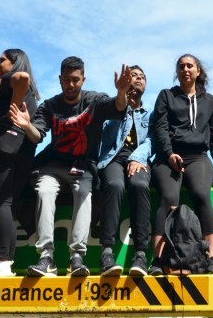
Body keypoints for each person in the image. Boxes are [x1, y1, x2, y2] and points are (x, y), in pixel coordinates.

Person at [11, 56, 131, 277]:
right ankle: (46, 257)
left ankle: (77, 256)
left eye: (75, 80)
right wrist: (27, 125)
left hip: (82, 167)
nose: (71, 85)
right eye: (66, 80)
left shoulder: (93, 101)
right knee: (45, 191)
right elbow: (37, 136)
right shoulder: (50, 105)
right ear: (59, 79)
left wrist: (122, 93)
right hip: (53, 165)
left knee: (84, 192)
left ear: (83, 79)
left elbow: (117, 107)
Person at [150, 54, 213, 275]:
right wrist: (169, 153)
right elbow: (160, 128)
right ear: (177, 72)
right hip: (168, 156)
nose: (185, 69)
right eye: (181, 66)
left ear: (198, 71)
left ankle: (212, 258)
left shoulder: (209, 100)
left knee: (201, 194)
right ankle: (158, 260)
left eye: (190, 66)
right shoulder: (166, 95)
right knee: (168, 198)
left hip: (198, 157)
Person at [0, 49, 40, 277]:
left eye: (2, 60)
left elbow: (22, 77)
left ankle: (2, 260)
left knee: (1, 203)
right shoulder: (32, 96)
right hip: (21, 152)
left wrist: (12, 106)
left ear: (15, 63)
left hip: (4, 148)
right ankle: (4, 261)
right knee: (7, 205)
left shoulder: (11, 81)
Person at [97, 65, 153, 276]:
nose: (138, 79)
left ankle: (140, 254)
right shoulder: (111, 108)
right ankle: (107, 253)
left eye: (142, 76)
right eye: (133, 76)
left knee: (139, 185)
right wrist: (120, 98)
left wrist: (138, 157)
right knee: (113, 184)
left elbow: (152, 139)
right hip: (112, 159)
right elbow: (104, 137)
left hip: (138, 159)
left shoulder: (149, 113)